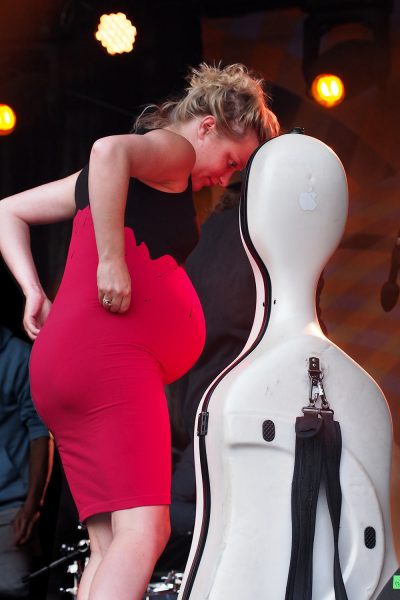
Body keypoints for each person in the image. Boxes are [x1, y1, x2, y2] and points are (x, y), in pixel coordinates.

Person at [0, 62, 280, 600]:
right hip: (111, 364)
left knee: (109, 544)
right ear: (205, 127)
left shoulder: (118, 181)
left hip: (63, 370)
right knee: (146, 531)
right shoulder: (173, 151)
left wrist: (33, 291)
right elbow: (109, 150)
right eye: (229, 160)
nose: (224, 177)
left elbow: (9, 210)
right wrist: (111, 260)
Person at [0, 325, 50, 599]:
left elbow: (41, 432)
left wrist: (32, 505)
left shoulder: (19, 356)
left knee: (11, 589)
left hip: (9, 510)